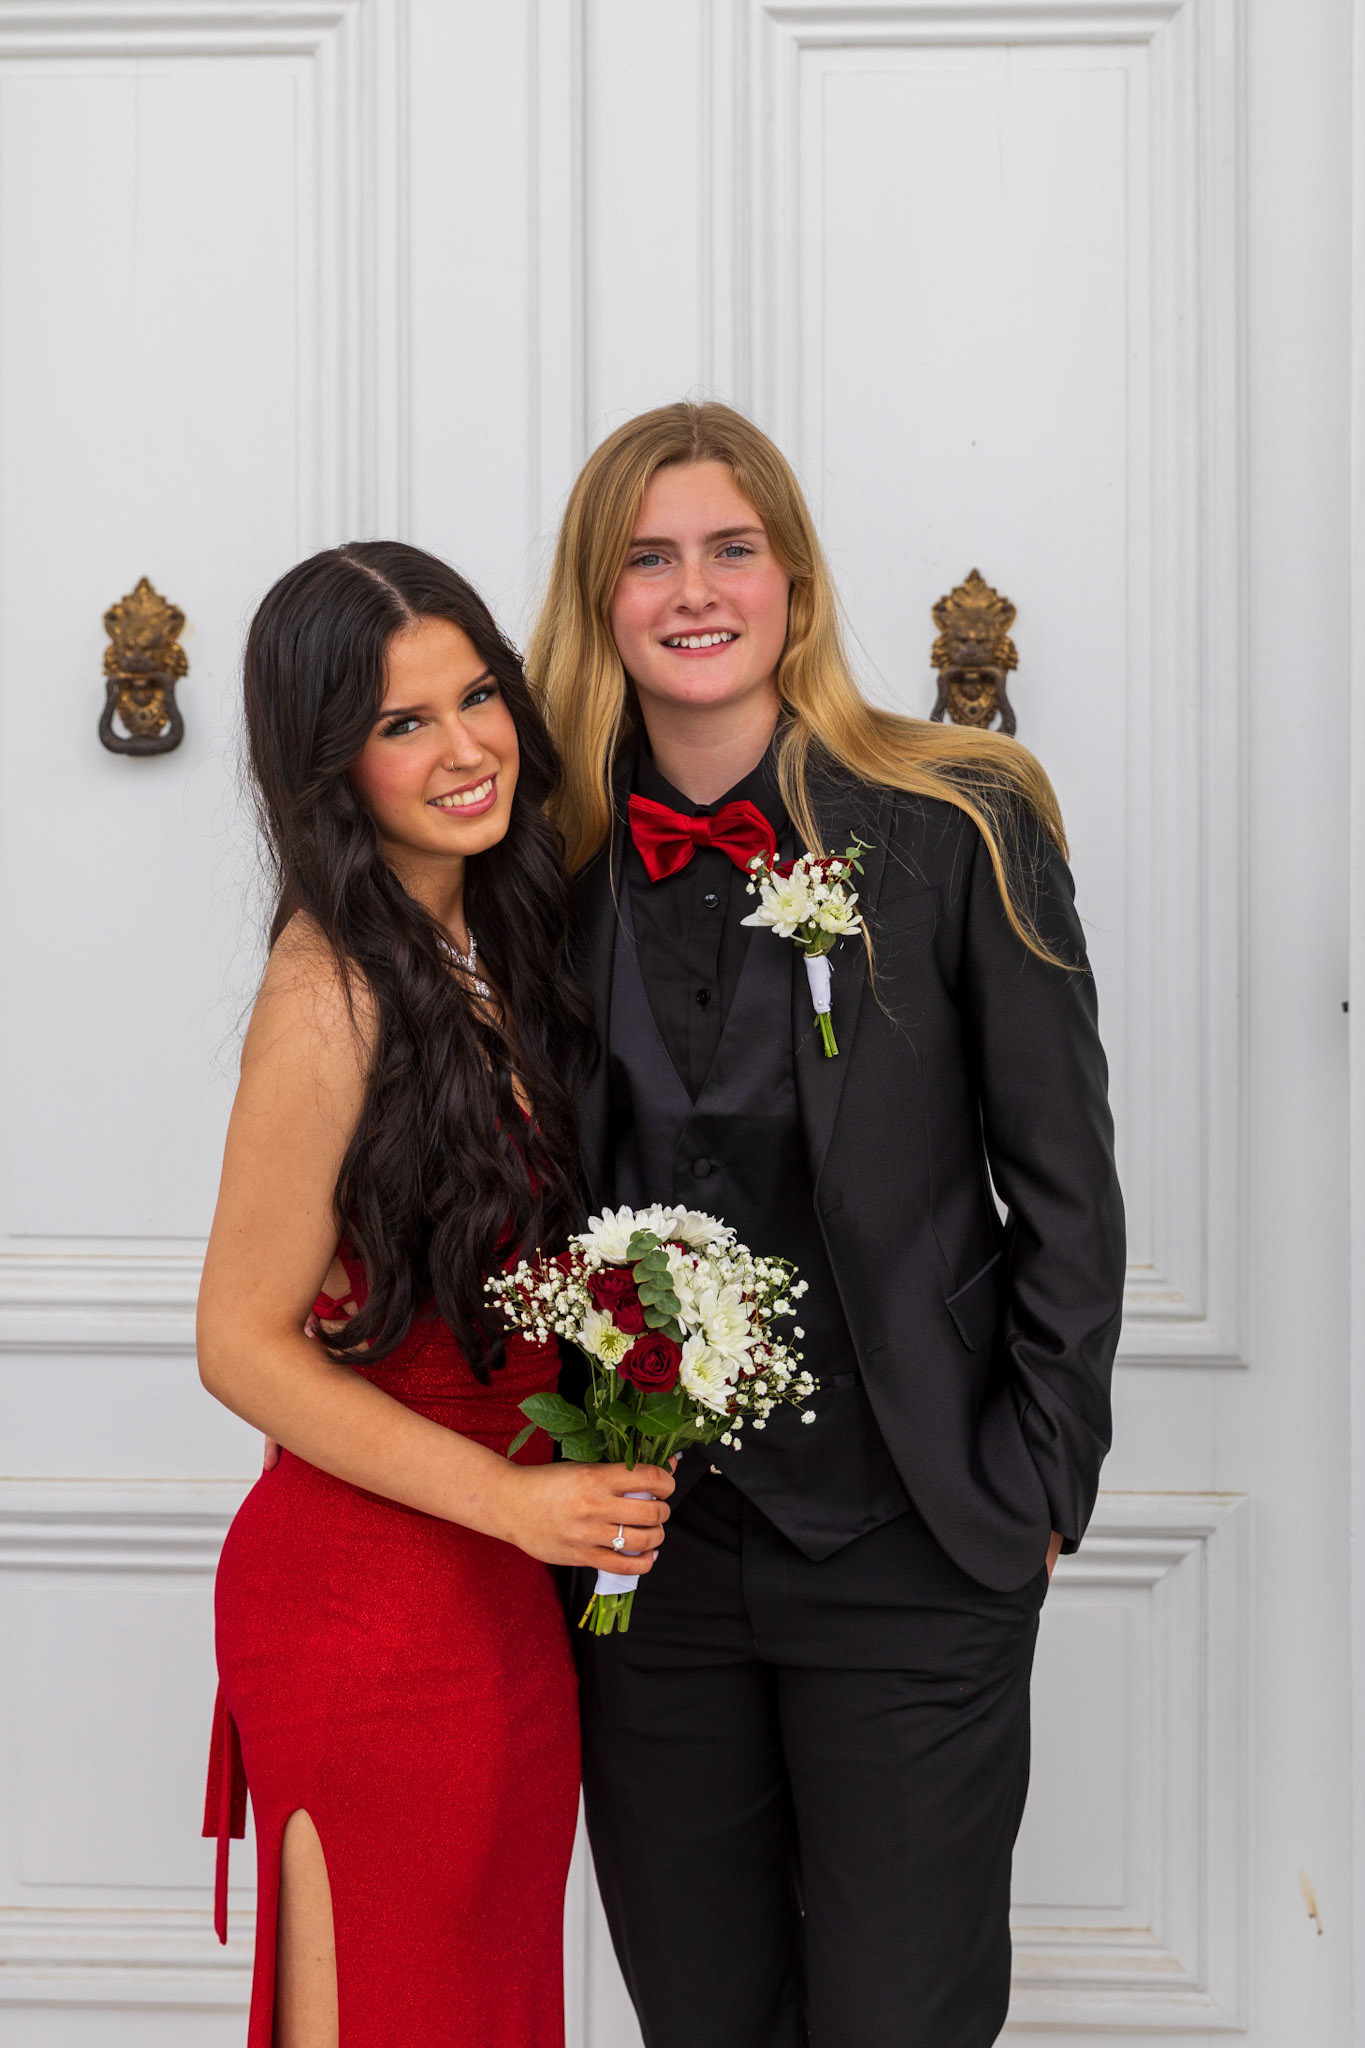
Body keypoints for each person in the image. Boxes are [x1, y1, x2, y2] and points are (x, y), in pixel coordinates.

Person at [528, 403, 1126, 2048]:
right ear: (598, 598)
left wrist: (1037, 1486)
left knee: (898, 2022)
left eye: (730, 548)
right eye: (647, 558)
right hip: (649, 1566)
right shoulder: (538, 857)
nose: (692, 590)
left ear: (791, 576)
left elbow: (1065, 1185)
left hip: (913, 1536)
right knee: (701, 2018)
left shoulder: (958, 820)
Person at [197, 541, 674, 2048]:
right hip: (371, 1611)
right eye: (403, 723)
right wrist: (517, 1503)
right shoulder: (331, 989)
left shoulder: (490, 936)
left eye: (477, 697)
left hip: (500, 1596)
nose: (466, 748)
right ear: (326, 764)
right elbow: (238, 1343)